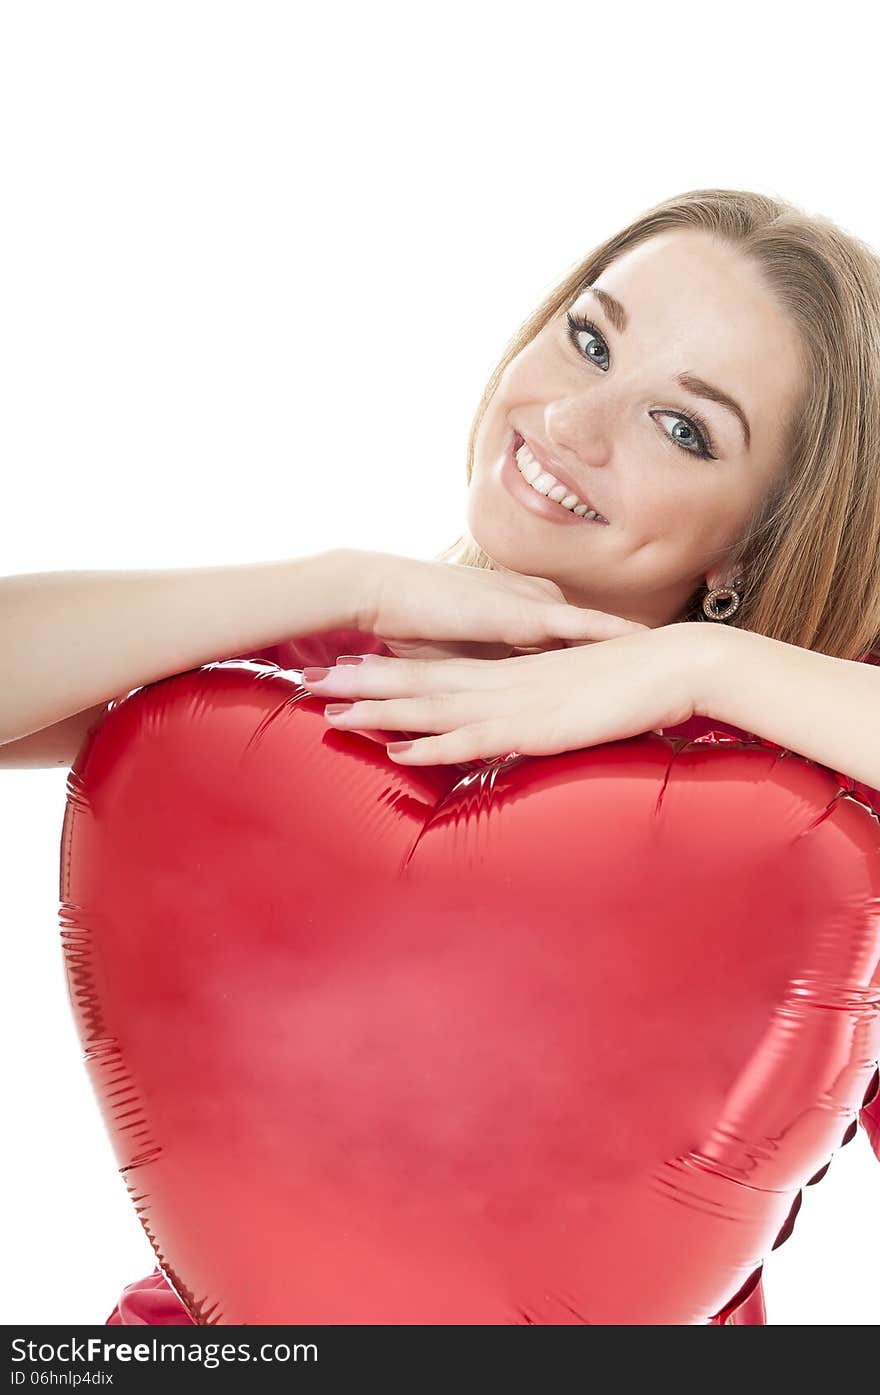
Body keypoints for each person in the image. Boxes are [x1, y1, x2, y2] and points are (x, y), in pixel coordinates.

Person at [3, 187, 880, 1325]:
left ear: (755, 537)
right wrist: (342, 581)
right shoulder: (295, 693)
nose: (572, 422)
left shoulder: (798, 826)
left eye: (684, 427)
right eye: (588, 338)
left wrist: (699, 673)